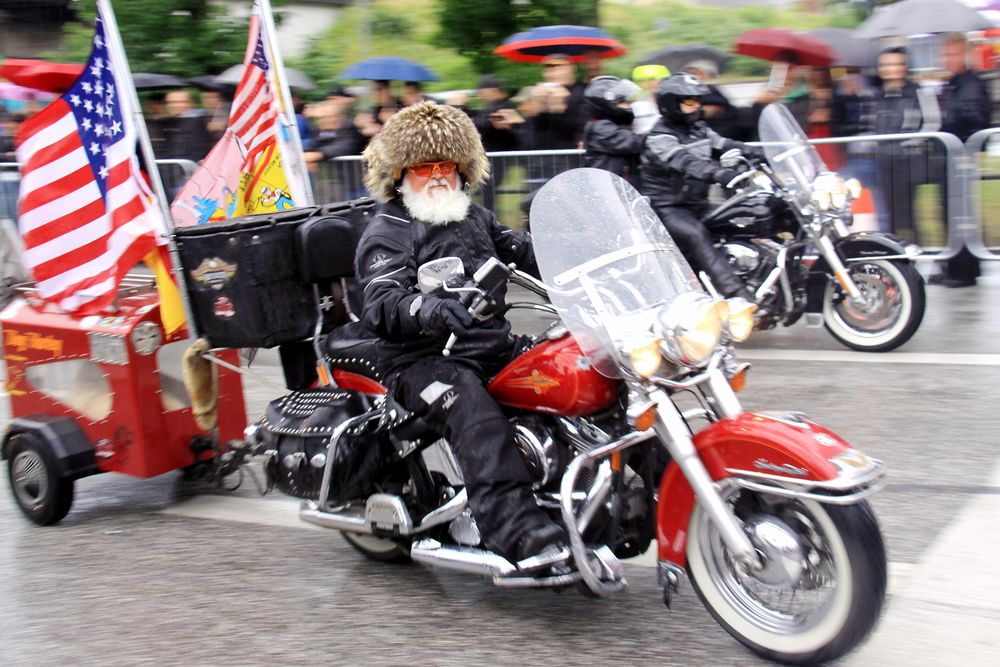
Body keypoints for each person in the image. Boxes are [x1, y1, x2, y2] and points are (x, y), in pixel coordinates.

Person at [354, 101, 567, 563]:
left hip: (488, 343)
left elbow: (520, 251)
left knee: (569, 368)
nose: (437, 176)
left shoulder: (472, 216)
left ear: (463, 168)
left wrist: (572, 254)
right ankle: (516, 530)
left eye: (446, 165)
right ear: (399, 172)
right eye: (424, 167)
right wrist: (427, 308)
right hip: (422, 359)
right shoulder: (388, 230)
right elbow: (380, 299)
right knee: (472, 409)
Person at [640, 73, 756, 300]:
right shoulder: (660, 136)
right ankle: (738, 295)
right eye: (690, 101)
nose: (697, 106)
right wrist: (719, 173)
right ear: (671, 104)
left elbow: (725, 144)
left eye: (698, 100)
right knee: (696, 234)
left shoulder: (699, 129)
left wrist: (762, 152)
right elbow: (687, 163)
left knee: (743, 218)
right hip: (668, 208)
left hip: (698, 203)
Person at [930, 33, 991, 288]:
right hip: (952, 155)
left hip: (961, 156)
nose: (947, 59)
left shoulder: (971, 84)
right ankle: (955, 265)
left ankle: (964, 270)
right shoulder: (953, 84)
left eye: (952, 54)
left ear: (964, 55)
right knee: (949, 212)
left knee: (960, 214)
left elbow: (972, 118)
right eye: (945, 54)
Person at [864, 46, 940, 235]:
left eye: (896, 64)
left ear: (905, 67)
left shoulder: (919, 92)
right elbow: (870, 123)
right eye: (886, 65)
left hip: (909, 160)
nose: (891, 69)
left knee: (909, 213)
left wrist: (905, 143)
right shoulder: (876, 95)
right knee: (890, 213)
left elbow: (932, 122)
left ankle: (915, 255)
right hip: (883, 160)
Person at [471, 74, 523, 212]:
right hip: (493, 156)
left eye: (483, 91)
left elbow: (482, 124)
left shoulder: (502, 107)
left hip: (498, 157)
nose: (481, 95)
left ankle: (489, 219)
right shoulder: (493, 106)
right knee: (485, 190)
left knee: (488, 190)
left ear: (492, 90)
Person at [582, 75, 643, 188]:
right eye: (622, 102)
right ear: (606, 104)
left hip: (618, 187)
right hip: (606, 189)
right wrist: (656, 137)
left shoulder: (616, 126)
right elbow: (631, 143)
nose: (628, 106)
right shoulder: (600, 128)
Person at [630, 64, 670, 135]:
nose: (649, 83)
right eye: (643, 80)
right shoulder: (635, 106)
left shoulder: (673, 102)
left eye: (653, 79)